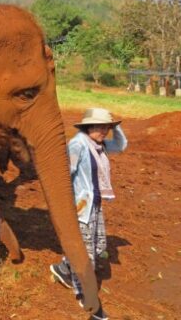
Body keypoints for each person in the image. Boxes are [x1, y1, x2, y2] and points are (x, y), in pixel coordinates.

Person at [50, 108, 127, 320]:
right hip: (81, 207)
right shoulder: (78, 144)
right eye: (100, 126)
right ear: (88, 127)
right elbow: (66, 174)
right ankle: (87, 298)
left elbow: (121, 146)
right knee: (86, 256)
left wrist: (116, 126)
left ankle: (64, 267)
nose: (104, 131)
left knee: (98, 245)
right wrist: (67, 207)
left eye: (106, 127)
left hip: (95, 204)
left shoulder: (99, 145)